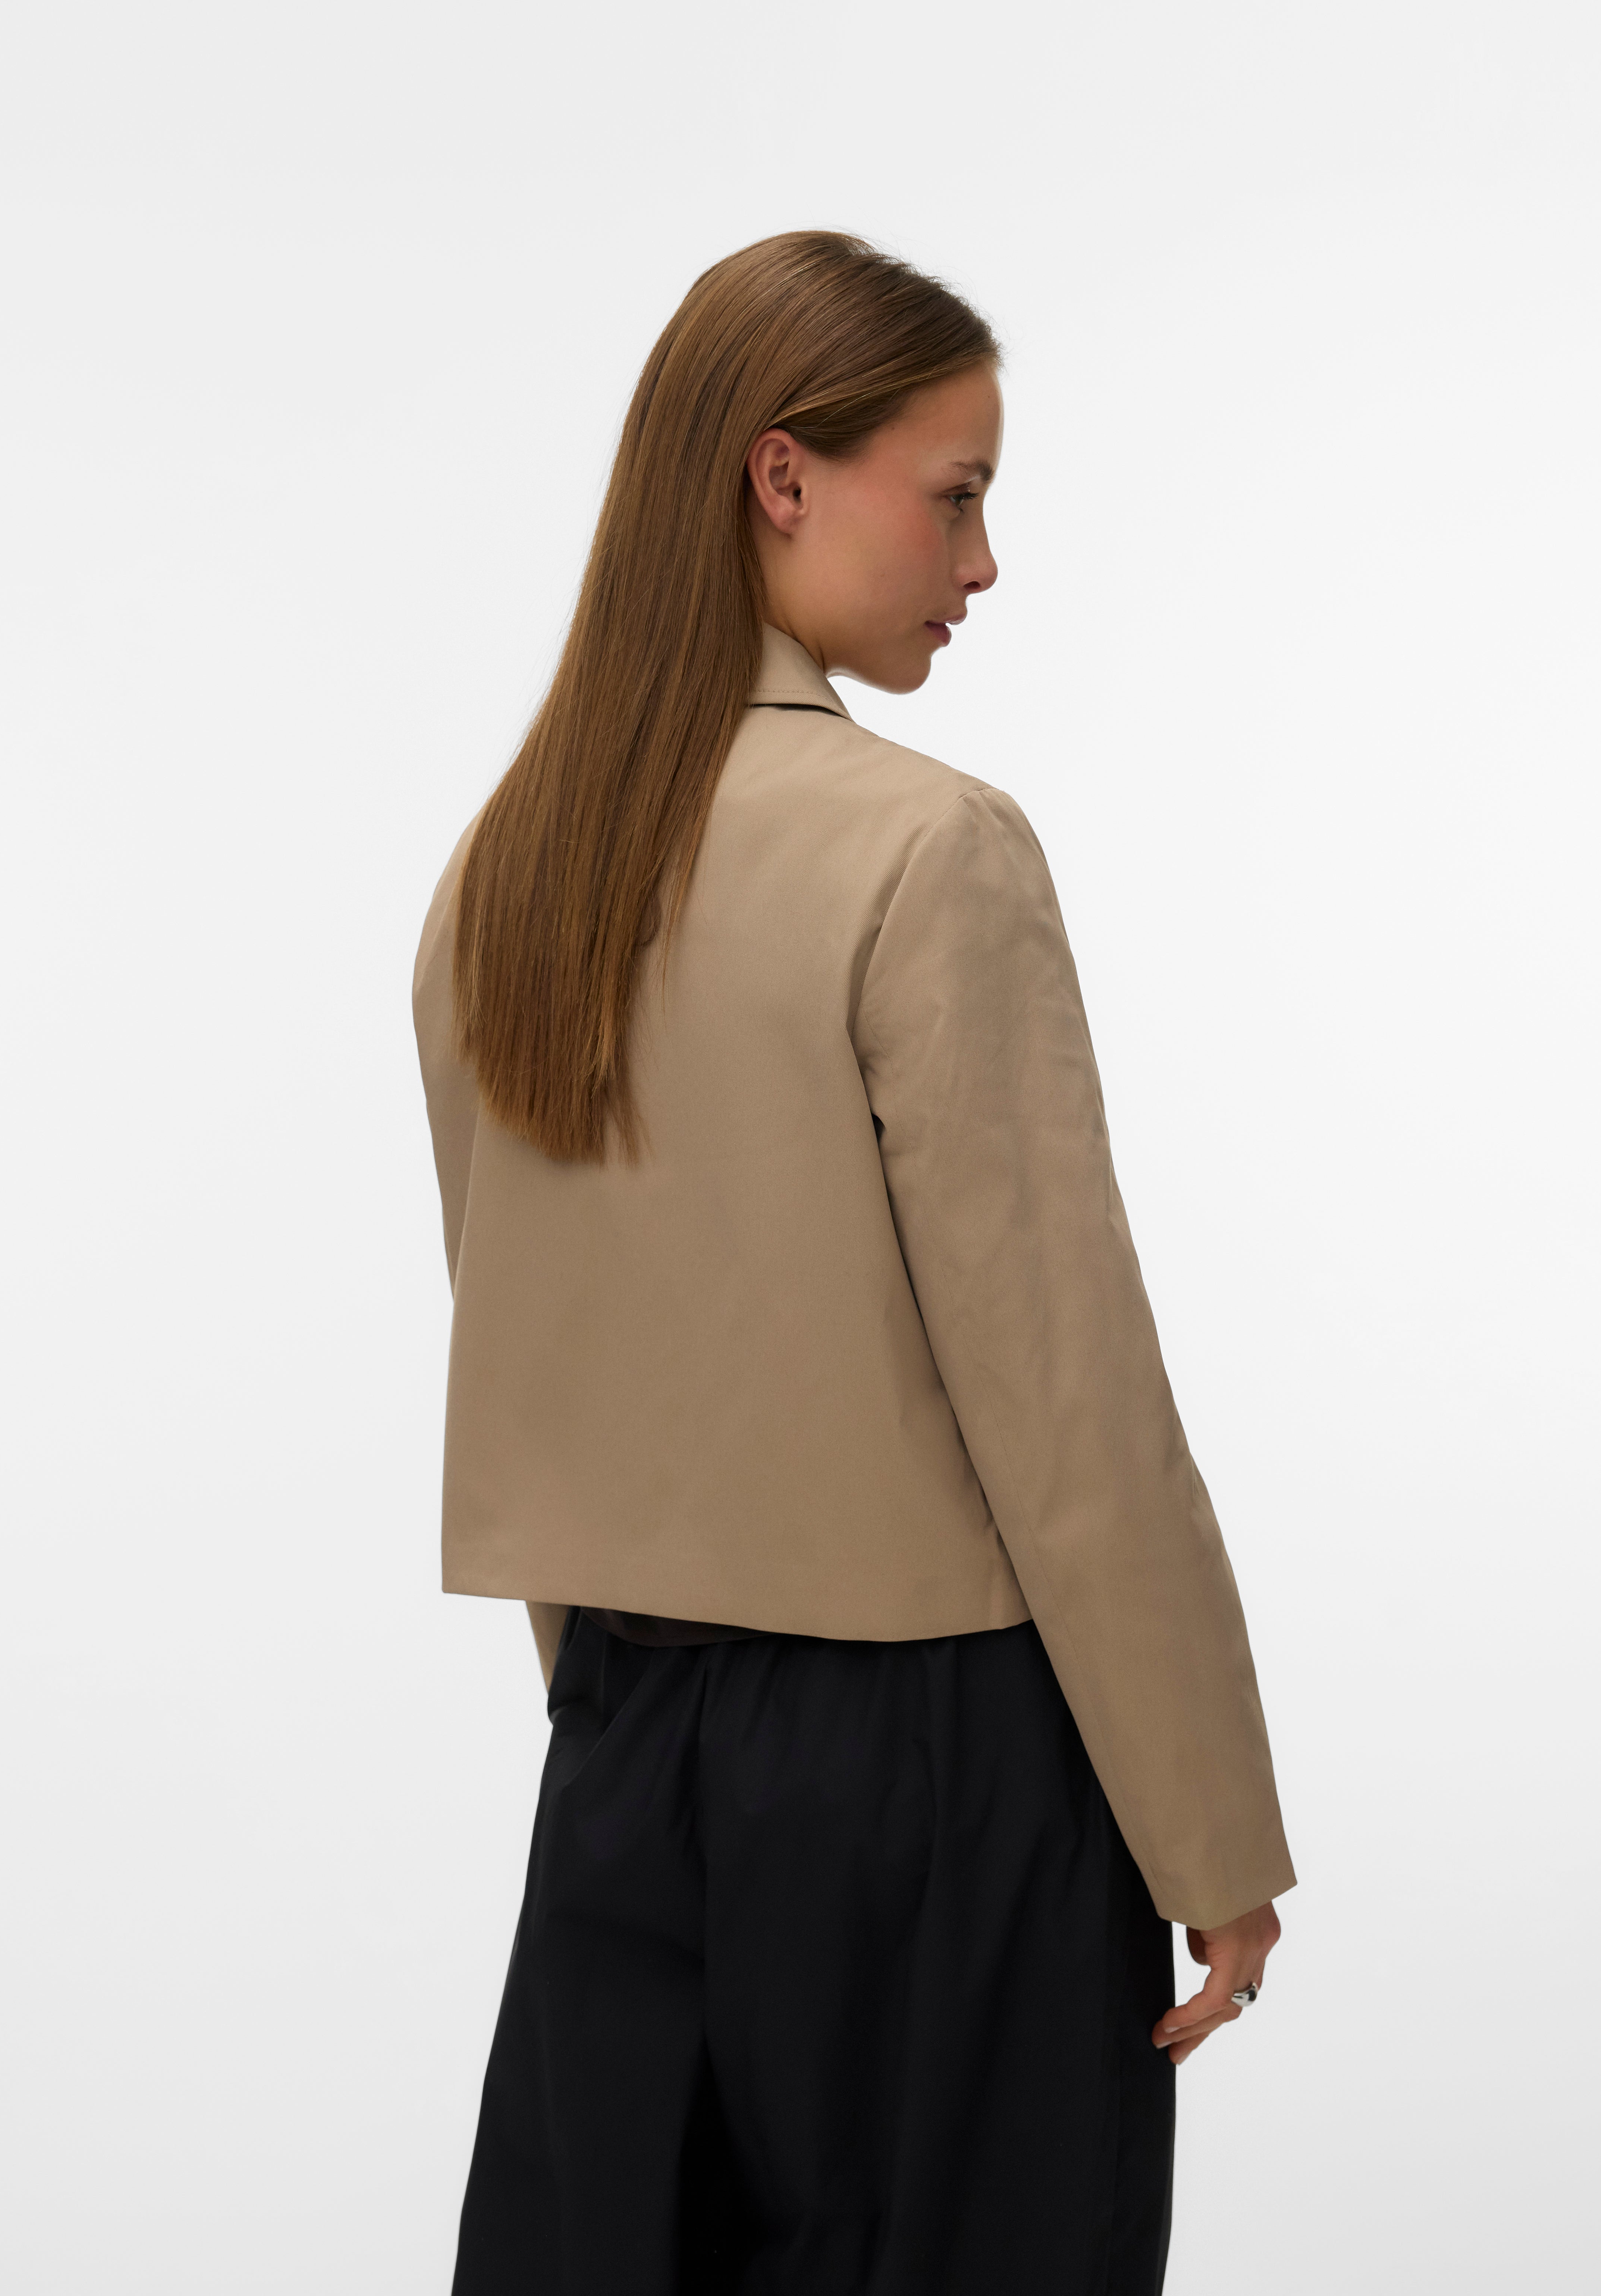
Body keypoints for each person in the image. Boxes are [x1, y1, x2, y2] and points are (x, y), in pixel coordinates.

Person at [413, 229, 1295, 2296]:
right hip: (940, 1771)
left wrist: (631, 1711)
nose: (983, 563)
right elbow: (1065, 1402)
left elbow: (534, 1344)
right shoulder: (926, 850)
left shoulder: (506, 869)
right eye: (958, 494)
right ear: (782, 475)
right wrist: (1209, 1833)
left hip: (628, 1745)